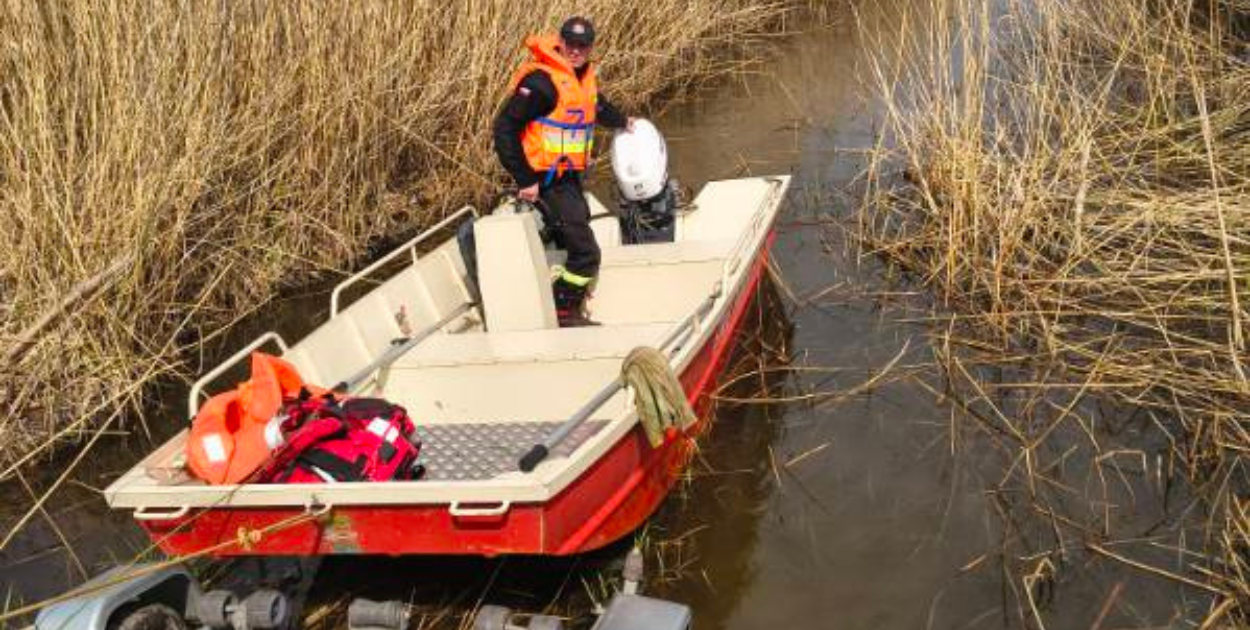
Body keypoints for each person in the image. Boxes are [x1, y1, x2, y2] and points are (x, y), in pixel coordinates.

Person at [493, 16, 633, 327]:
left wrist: (624, 122)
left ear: (590, 47)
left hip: (567, 177)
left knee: (577, 225)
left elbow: (596, 107)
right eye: (571, 44)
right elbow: (504, 129)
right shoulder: (541, 83)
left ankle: (559, 284)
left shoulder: (583, 78)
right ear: (561, 41)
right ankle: (563, 310)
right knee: (586, 254)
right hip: (545, 180)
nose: (576, 50)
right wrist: (525, 179)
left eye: (582, 45)